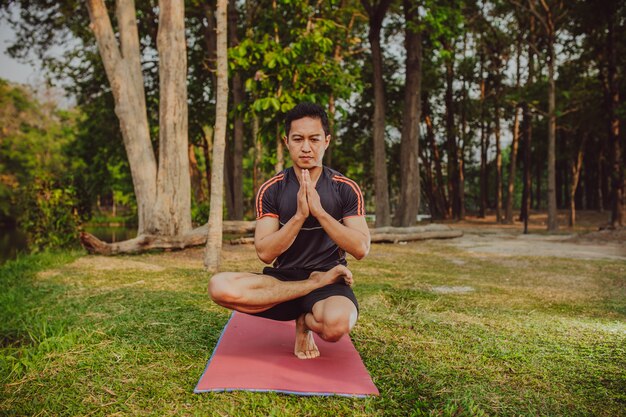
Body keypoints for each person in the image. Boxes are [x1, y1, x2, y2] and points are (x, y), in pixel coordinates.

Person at [208, 102, 370, 359]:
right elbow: (265, 253)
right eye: (298, 139)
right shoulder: (272, 189)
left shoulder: (345, 188)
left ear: (326, 141)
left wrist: (320, 213)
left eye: (314, 139)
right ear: (287, 142)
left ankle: (306, 320)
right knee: (219, 286)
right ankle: (308, 288)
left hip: (328, 282)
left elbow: (361, 248)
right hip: (282, 284)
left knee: (338, 324)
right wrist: (299, 216)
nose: (306, 147)